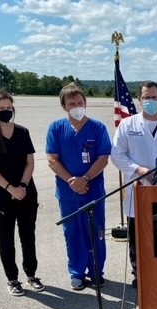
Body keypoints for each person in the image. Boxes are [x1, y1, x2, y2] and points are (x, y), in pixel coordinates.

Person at [111, 81, 157, 287]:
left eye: (154, 97)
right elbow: (117, 154)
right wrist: (138, 170)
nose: (150, 101)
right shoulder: (127, 124)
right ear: (139, 100)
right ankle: (138, 273)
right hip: (138, 189)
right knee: (138, 236)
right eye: (146, 97)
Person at [0, 89, 45, 296]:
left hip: (26, 193)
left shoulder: (22, 132)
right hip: (1, 195)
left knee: (28, 236)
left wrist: (22, 186)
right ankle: (12, 279)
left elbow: (30, 162)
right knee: (6, 239)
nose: (6, 111)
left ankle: (31, 275)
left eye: (8, 107)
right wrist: (10, 188)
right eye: (1, 108)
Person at [46, 82, 112, 290]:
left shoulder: (98, 128)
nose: (76, 105)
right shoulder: (56, 128)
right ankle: (77, 273)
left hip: (93, 190)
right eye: (71, 103)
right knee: (73, 233)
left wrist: (85, 178)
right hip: (68, 193)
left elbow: (103, 158)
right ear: (64, 106)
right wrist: (72, 182)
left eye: (79, 102)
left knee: (96, 231)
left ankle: (96, 272)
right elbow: (52, 160)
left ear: (86, 103)